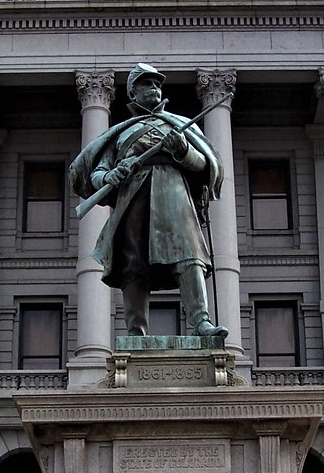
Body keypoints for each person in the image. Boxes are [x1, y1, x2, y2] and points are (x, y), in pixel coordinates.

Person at [69, 63, 227, 338]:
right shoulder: (121, 134)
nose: (154, 88)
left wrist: (183, 150)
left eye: (156, 84)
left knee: (191, 256)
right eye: (146, 84)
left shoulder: (179, 125)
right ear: (133, 93)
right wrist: (110, 178)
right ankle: (135, 332)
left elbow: (205, 165)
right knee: (133, 263)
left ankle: (201, 322)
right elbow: (97, 172)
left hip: (174, 192)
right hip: (134, 197)